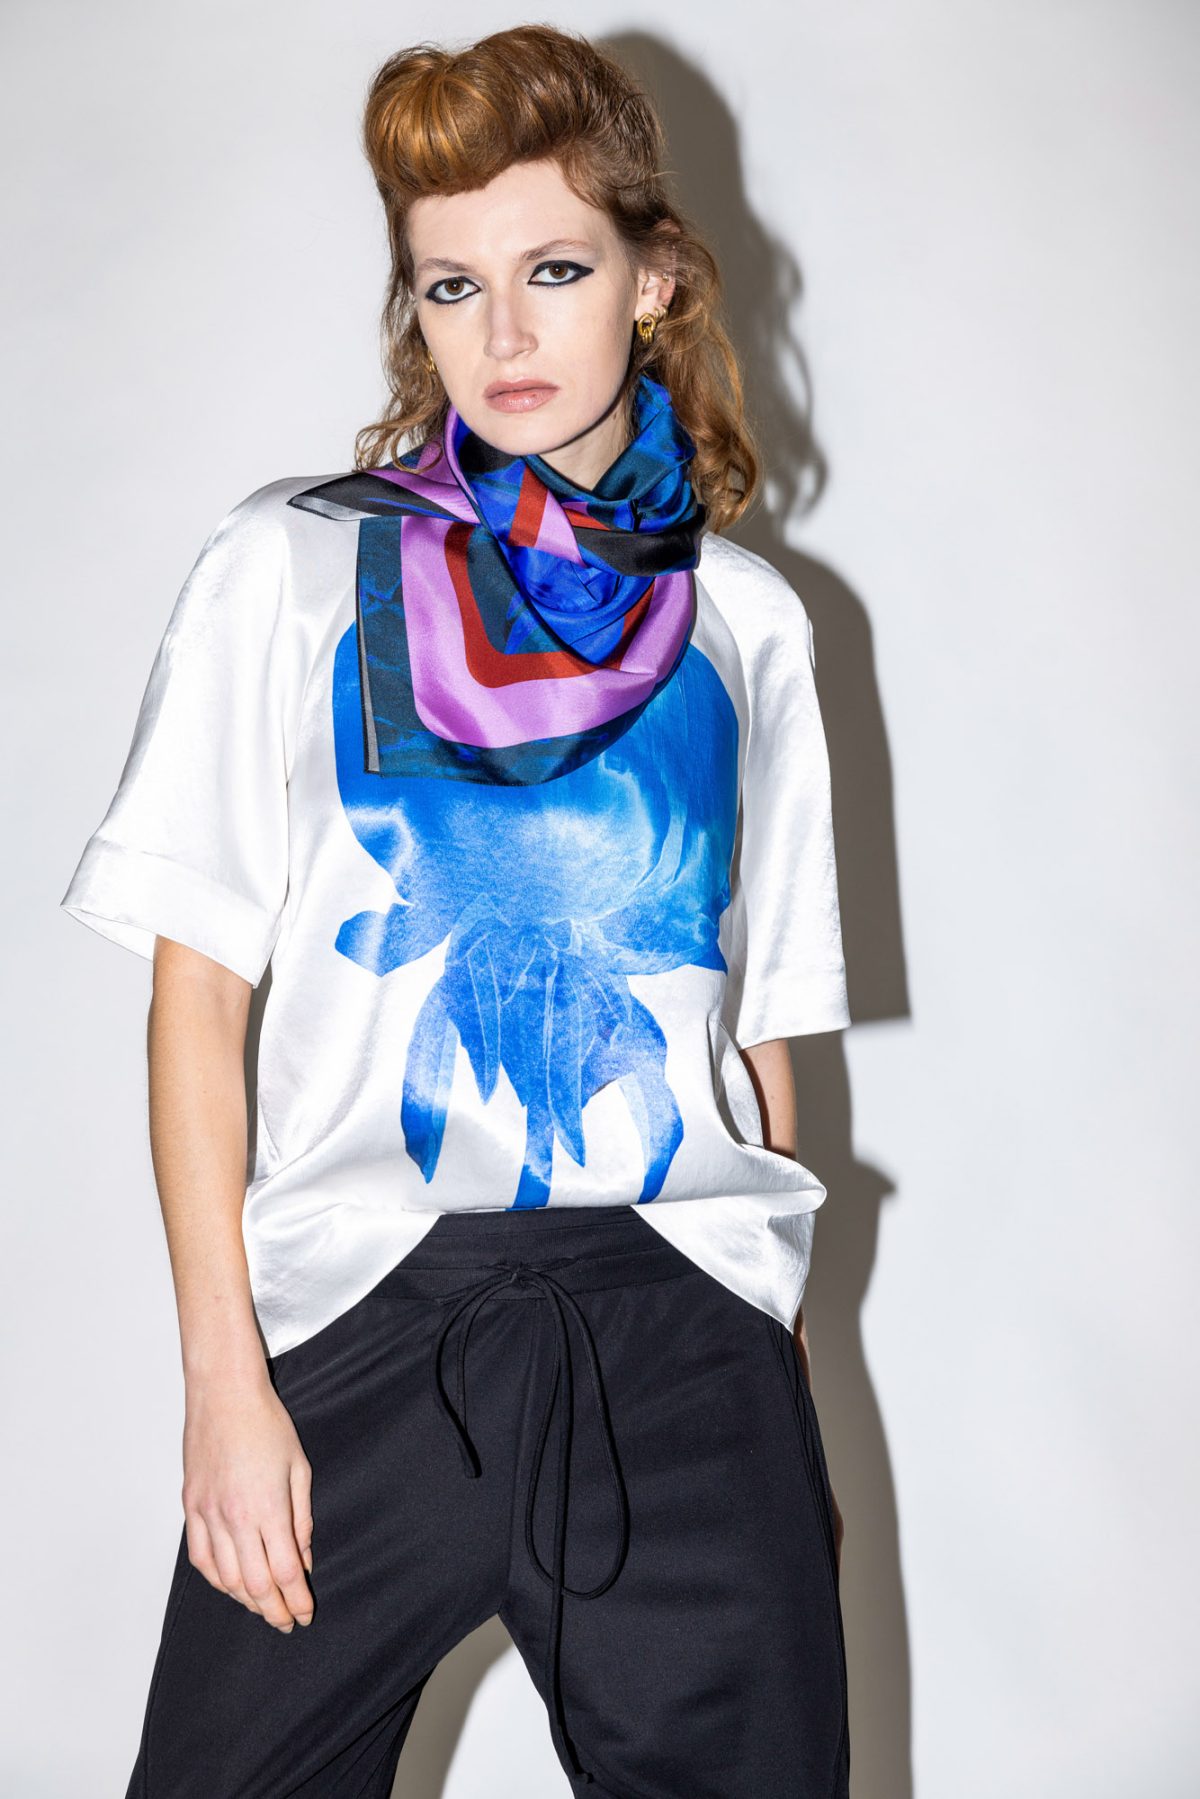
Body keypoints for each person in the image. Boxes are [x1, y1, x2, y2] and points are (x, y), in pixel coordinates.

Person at [60, 24, 852, 1798]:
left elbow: (757, 1038)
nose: (503, 336)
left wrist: (779, 1394)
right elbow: (199, 1002)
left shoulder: (748, 623)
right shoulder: (286, 569)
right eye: (451, 285)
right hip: (366, 1314)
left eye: (554, 271)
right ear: (411, 309)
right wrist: (225, 1387)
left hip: (685, 1330)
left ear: (653, 280)